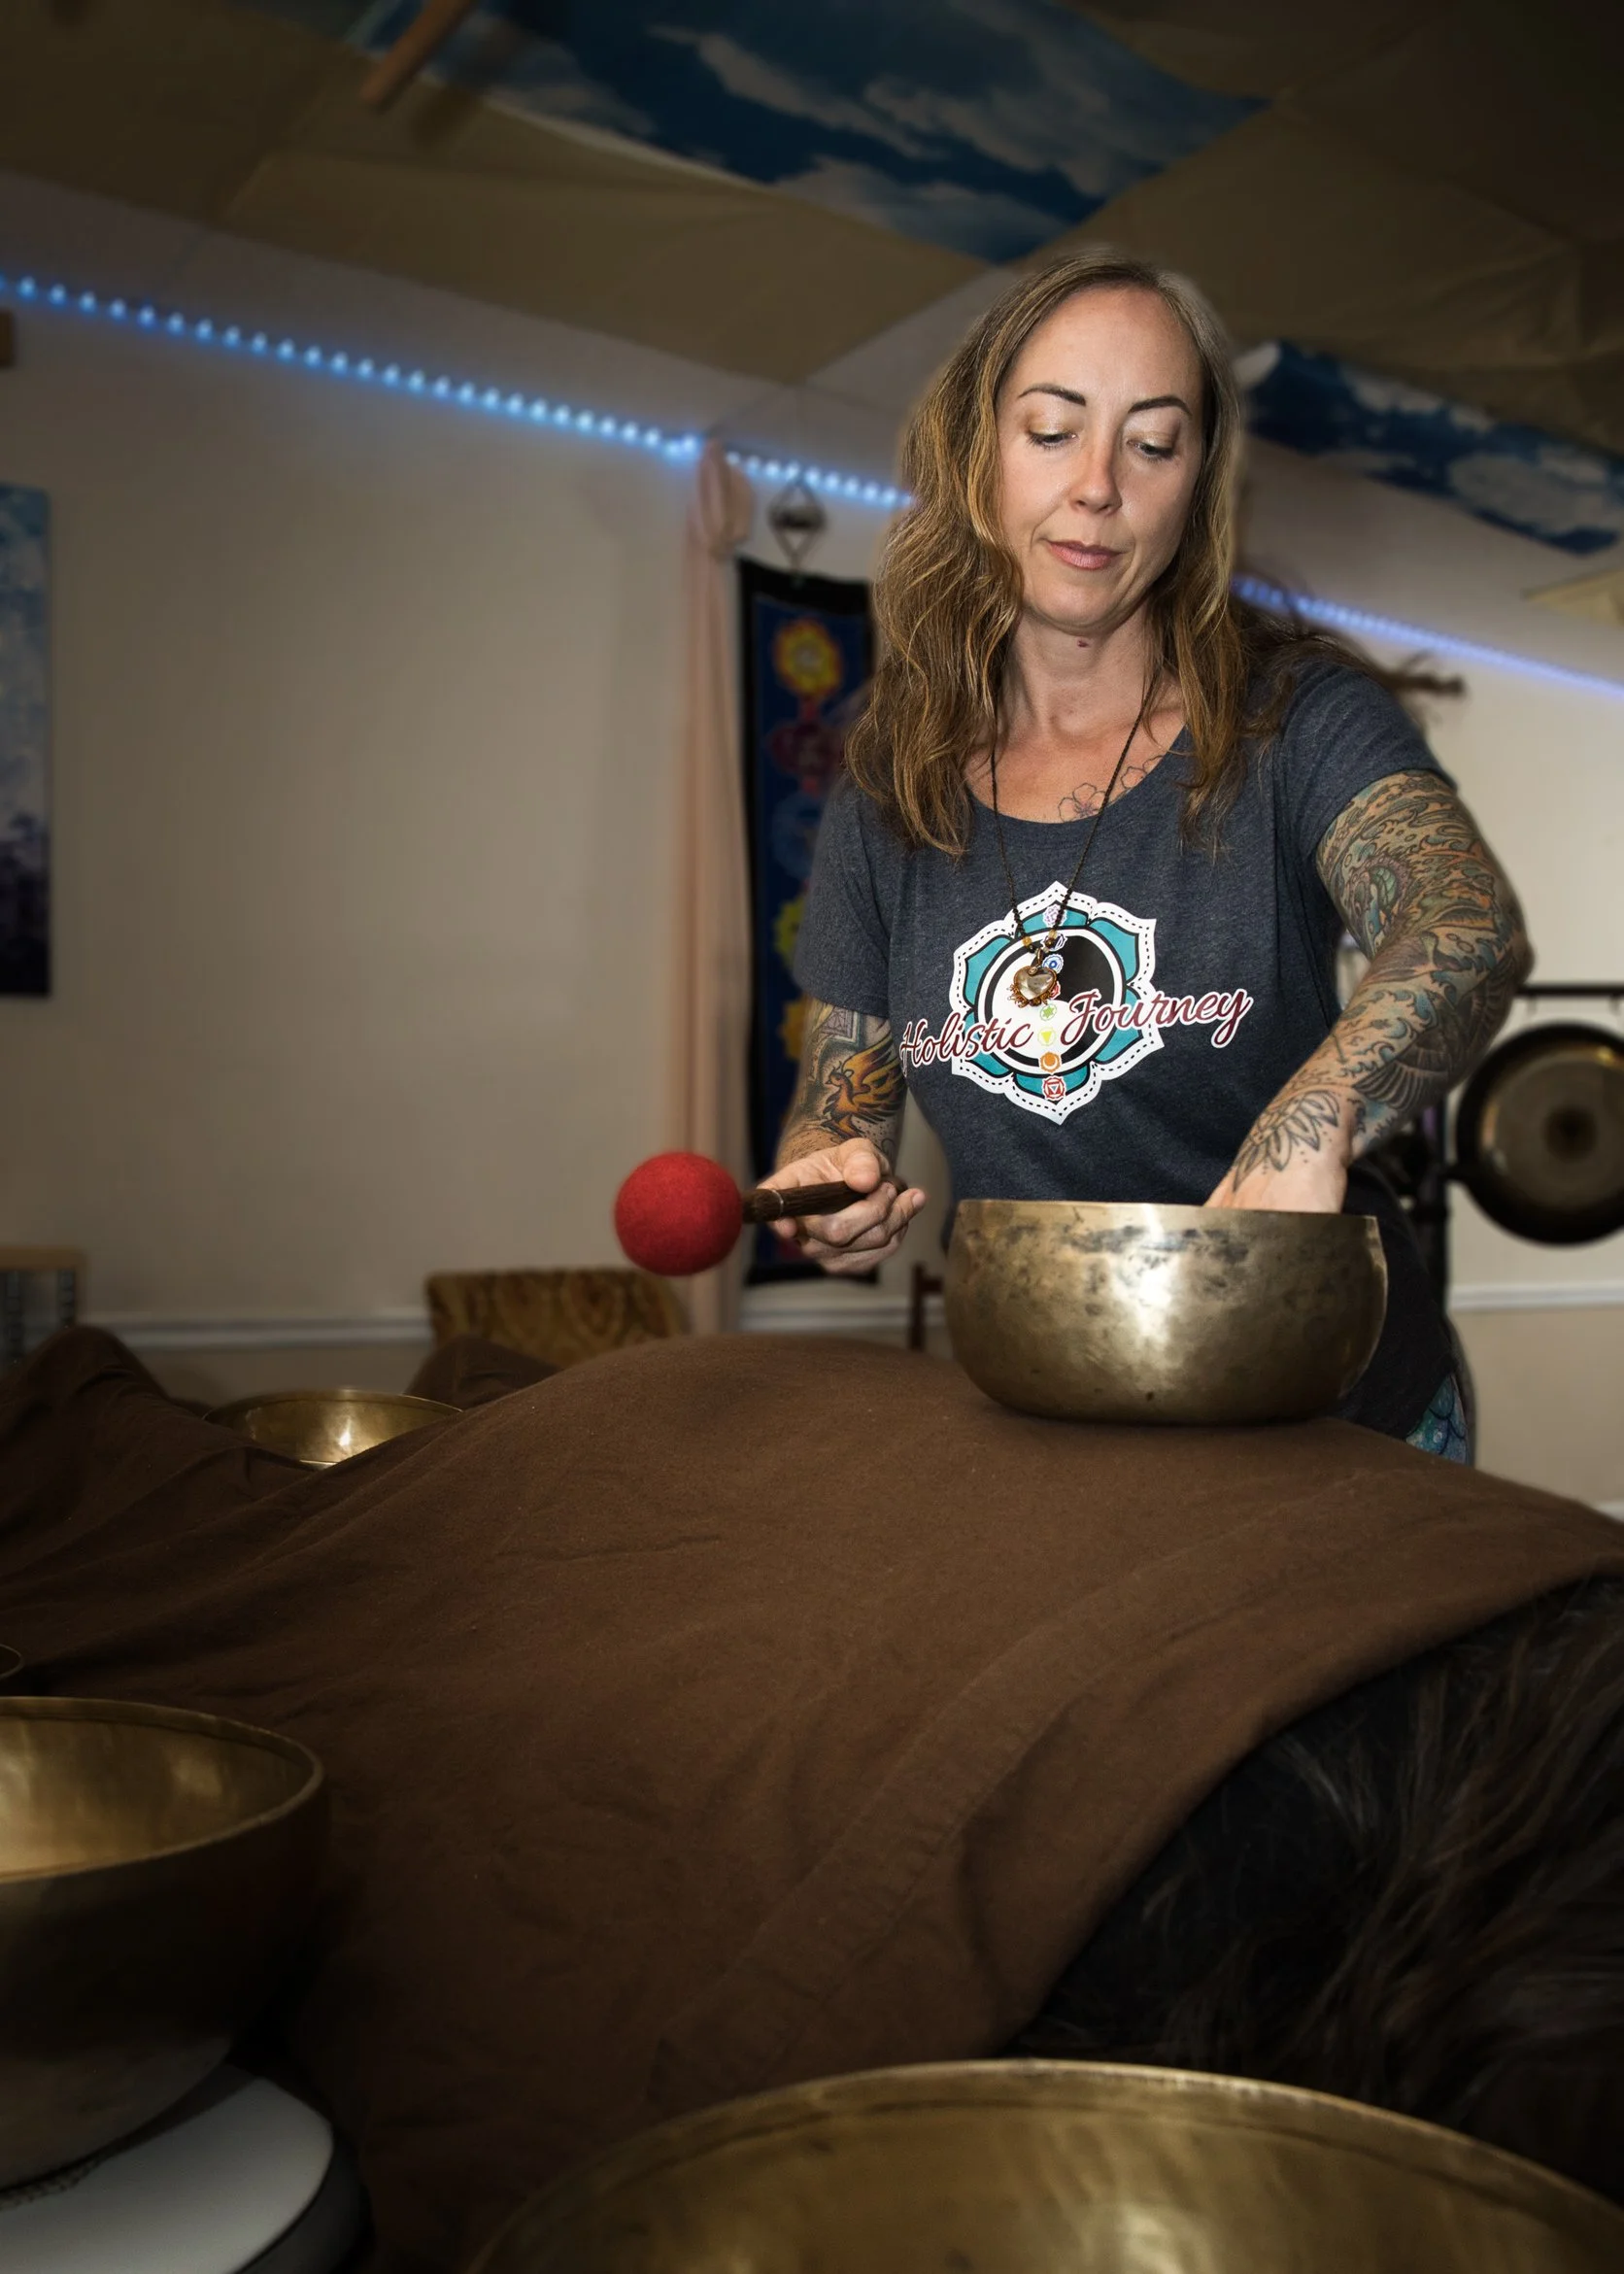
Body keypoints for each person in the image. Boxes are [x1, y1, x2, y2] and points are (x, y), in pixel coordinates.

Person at [772, 251, 1529, 1447]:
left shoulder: (1296, 719)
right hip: (1054, 1403)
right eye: (1051, 428)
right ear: (978, 453)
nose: (1097, 488)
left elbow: (1464, 927)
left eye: (1153, 442)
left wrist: (1317, 1116)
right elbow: (840, 1103)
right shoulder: (888, 791)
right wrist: (831, 1186)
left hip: (1329, 1408)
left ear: (1194, 488)